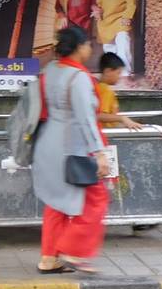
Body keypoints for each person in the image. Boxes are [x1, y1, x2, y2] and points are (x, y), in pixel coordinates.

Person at [35, 26, 113, 274]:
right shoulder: (78, 78)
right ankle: (73, 250)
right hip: (73, 147)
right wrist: (100, 153)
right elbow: (85, 118)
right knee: (95, 198)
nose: (90, 49)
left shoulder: (50, 71)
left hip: (49, 145)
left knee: (56, 202)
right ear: (79, 47)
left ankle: (49, 258)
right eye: (88, 44)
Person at [95, 0, 137, 73]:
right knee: (109, 49)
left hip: (121, 20)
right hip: (105, 22)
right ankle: (113, 74)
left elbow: (131, 4)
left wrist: (127, 17)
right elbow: (99, 6)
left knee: (123, 47)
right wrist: (97, 12)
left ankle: (125, 74)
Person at [96, 52, 143, 132]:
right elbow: (99, 116)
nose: (119, 77)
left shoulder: (98, 87)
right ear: (108, 71)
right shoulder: (106, 90)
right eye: (118, 73)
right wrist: (122, 119)